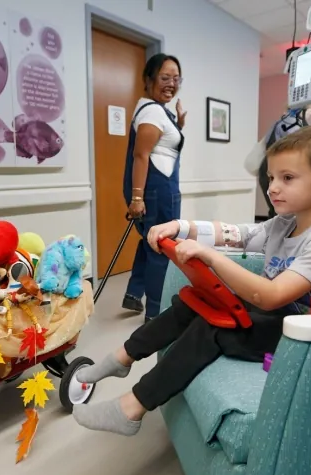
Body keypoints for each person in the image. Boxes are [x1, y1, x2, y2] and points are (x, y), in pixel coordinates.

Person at [74, 126, 311, 436]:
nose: (272, 188)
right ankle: (122, 357)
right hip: (288, 319)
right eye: (271, 178)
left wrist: (212, 257)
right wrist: (180, 226)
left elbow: (270, 295)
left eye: (287, 178)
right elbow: (238, 234)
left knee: (214, 325)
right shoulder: (284, 224)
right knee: (195, 301)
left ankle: (131, 407)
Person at [121, 53, 188, 323]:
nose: (171, 83)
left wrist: (179, 124)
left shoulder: (156, 110)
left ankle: (134, 294)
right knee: (162, 246)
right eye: (164, 77)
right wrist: (137, 198)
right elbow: (141, 155)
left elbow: (161, 147)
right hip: (157, 191)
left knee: (150, 242)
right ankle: (156, 314)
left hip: (158, 189)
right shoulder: (152, 111)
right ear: (148, 80)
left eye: (176, 78)